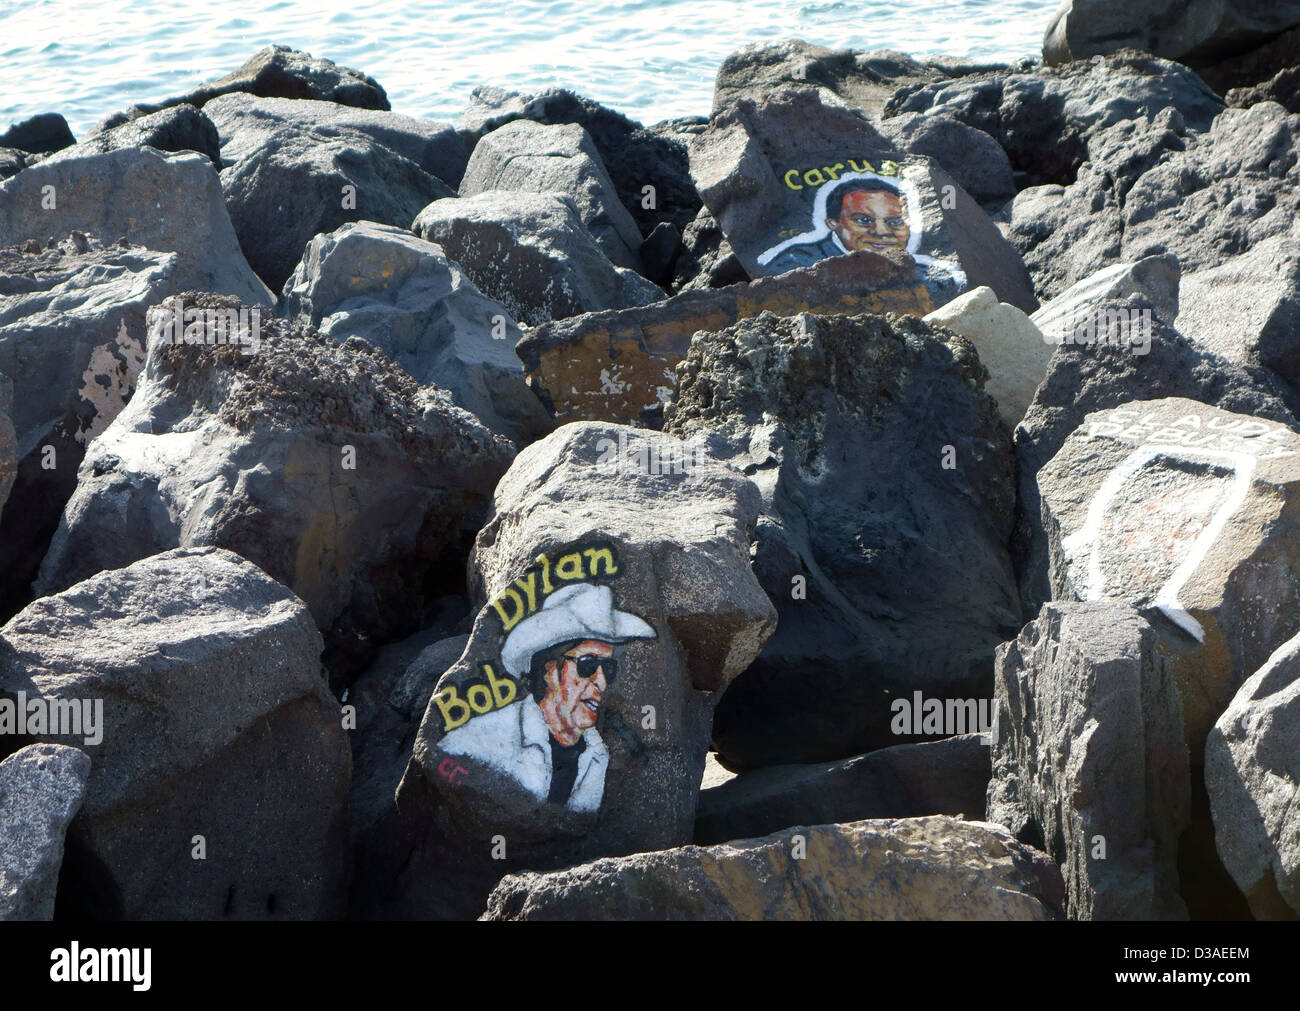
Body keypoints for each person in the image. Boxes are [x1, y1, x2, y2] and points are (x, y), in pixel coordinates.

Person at [436, 582, 655, 813]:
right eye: (587, 665)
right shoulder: (483, 736)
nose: (601, 682)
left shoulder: (596, 754)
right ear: (548, 670)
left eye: (609, 668)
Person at [758, 175, 965, 304]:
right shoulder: (795, 263)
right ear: (833, 223)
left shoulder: (932, 276)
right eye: (864, 220)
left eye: (894, 222)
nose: (882, 232)